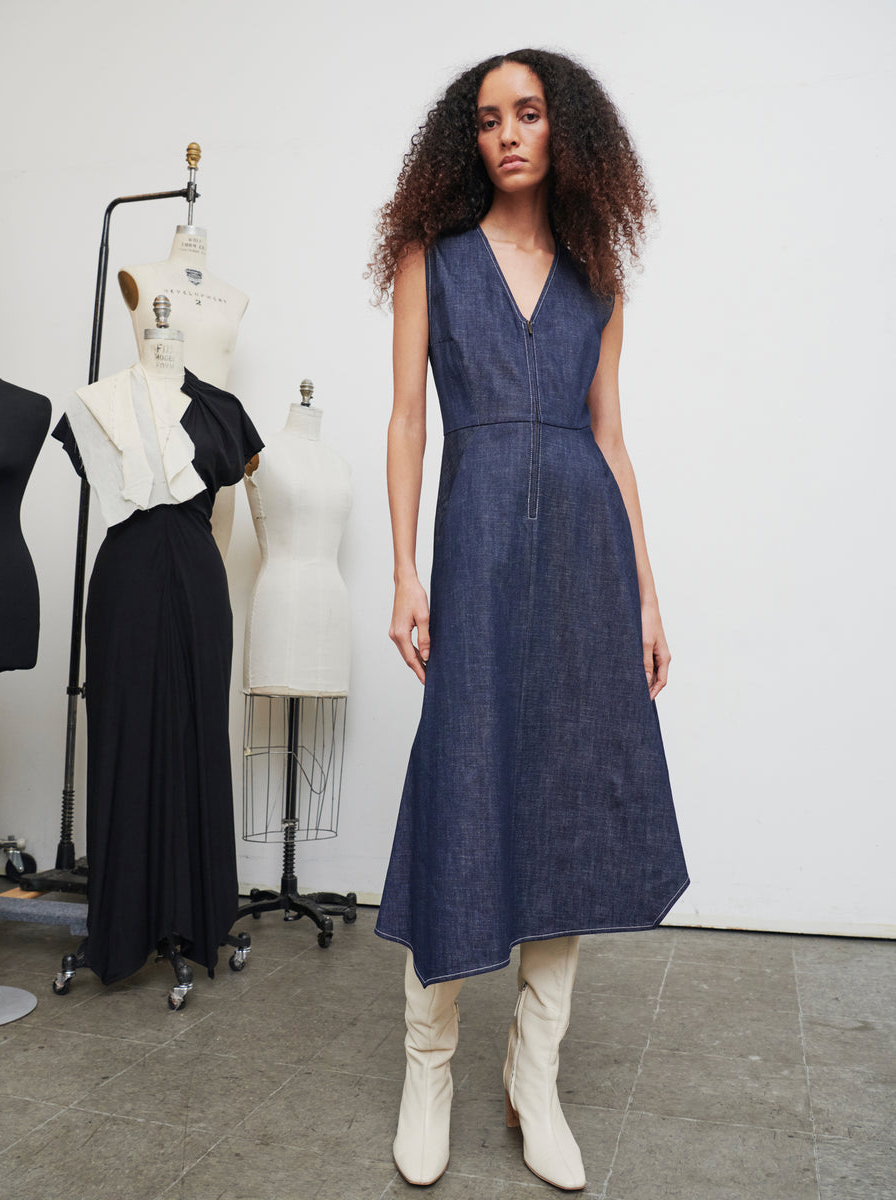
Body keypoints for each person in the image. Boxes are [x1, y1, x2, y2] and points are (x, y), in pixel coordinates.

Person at [369, 49, 689, 1190]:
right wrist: (406, 571)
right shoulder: (431, 259)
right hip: (479, 546)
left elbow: (612, 437)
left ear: (568, 131)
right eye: (490, 119)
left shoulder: (599, 276)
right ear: (469, 140)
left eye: (531, 115)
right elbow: (409, 420)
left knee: (565, 802)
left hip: (587, 559)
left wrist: (647, 593)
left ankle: (533, 1074)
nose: (509, 134)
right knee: (463, 785)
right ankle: (430, 1063)